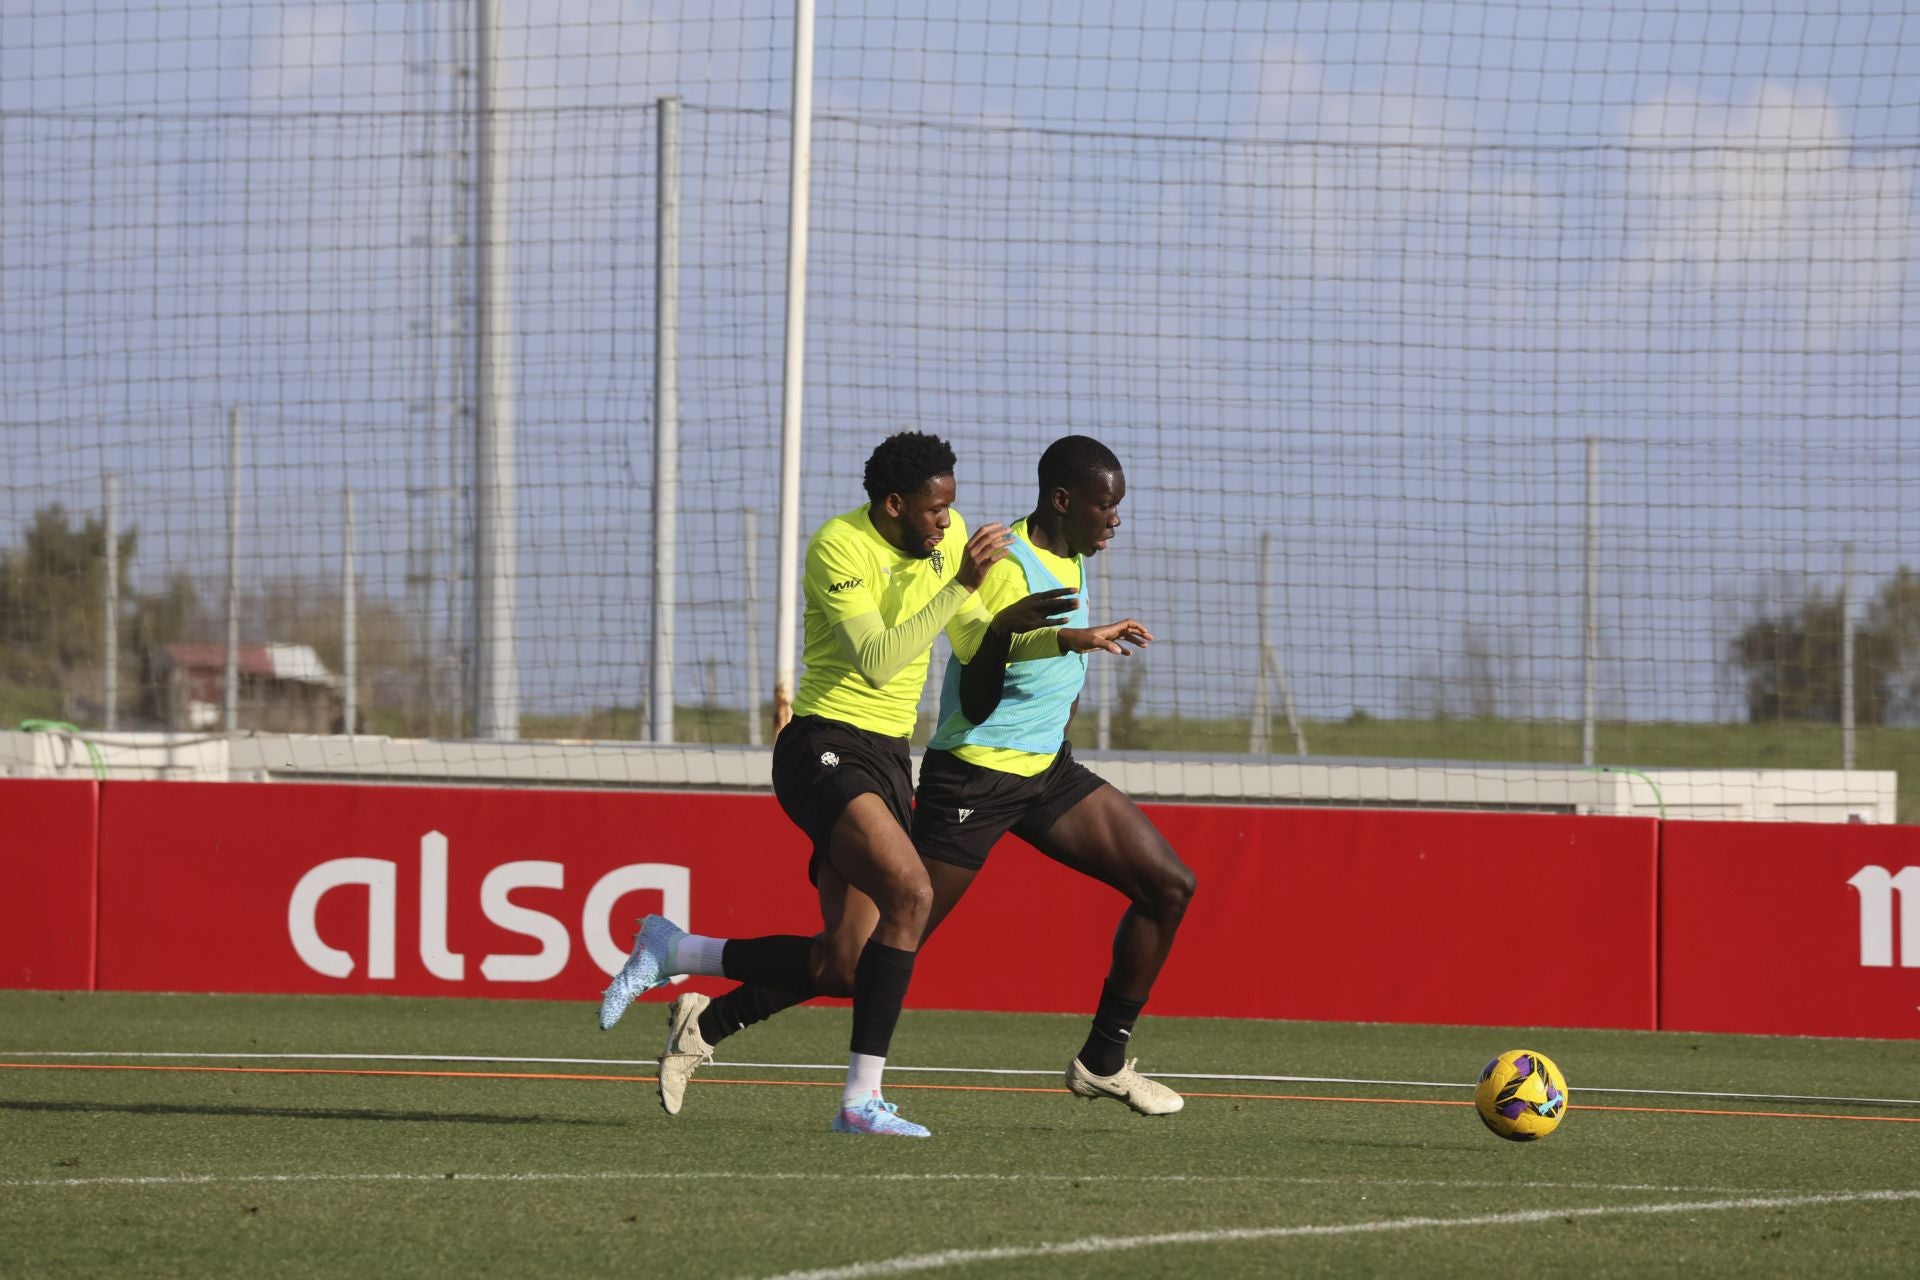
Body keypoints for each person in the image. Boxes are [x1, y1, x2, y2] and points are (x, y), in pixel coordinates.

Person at [654, 434, 1196, 1118]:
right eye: (1105, 505)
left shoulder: (1075, 558)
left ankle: (1103, 1061)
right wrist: (1002, 625)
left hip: (1045, 773)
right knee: (857, 960)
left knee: (1170, 885)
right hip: (973, 781)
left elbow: (1033, 664)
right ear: (1064, 501)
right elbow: (972, 684)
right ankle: (711, 1025)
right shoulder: (998, 564)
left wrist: (1071, 642)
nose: (1116, 517)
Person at [597, 430, 1062, 1138]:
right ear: (894, 504)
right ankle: (858, 1102)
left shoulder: (949, 538)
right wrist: (960, 585)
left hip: (885, 756)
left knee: (843, 963)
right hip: (821, 745)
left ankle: (678, 953)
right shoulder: (838, 546)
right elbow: (877, 660)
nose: (946, 523)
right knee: (913, 894)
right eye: (934, 511)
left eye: (951, 510)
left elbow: (968, 640)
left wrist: (1052, 637)